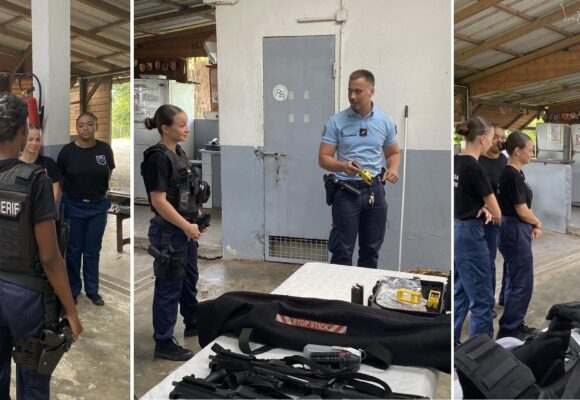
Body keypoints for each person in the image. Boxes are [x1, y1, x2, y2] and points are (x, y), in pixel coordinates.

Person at [0, 92, 82, 399]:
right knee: (33, 379)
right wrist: (71, 311)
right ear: (23, 131)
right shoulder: (34, 180)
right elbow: (49, 256)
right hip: (25, 297)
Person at [141, 105, 209, 361]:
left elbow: (187, 190)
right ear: (165, 128)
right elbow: (159, 201)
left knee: (188, 278)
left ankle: (192, 322)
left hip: (186, 229)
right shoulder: (157, 158)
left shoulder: (178, 152)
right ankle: (163, 341)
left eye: (186, 123)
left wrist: (198, 214)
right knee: (169, 284)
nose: (186, 129)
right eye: (181, 125)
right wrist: (185, 225)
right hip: (170, 232)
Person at [318, 69, 400, 268]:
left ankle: (363, 297)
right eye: (349, 91)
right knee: (342, 251)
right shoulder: (336, 121)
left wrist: (393, 169)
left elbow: (393, 154)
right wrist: (342, 166)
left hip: (374, 191)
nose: (352, 96)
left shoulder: (385, 121)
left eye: (358, 91)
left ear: (372, 91)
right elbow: (323, 158)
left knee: (371, 250)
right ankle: (338, 298)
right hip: (346, 191)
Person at [57, 112, 115, 306]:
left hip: (98, 207)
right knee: (73, 251)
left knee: (92, 250)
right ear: (77, 128)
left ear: (96, 126)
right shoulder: (67, 151)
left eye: (90, 124)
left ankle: (92, 290)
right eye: (81, 125)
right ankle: (74, 289)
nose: (85, 128)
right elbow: (60, 178)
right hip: (73, 205)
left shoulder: (104, 149)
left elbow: (108, 172)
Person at [454, 116, 501, 345]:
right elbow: (497, 211)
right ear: (482, 139)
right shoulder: (475, 168)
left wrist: (480, 205)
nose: (493, 143)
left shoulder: (455, 162)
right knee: (482, 300)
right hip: (471, 234)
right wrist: (489, 207)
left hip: (457, 229)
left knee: (461, 290)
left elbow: (462, 196)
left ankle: (451, 342)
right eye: (492, 139)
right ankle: (481, 355)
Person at [497, 130, 541, 340]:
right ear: (517, 151)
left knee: (518, 279)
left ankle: (515, 322)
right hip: (514, 229)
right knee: (522, 282)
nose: (532, 153)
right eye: (530, 149)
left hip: (515, 228)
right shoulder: (511, 175)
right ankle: (510, 328)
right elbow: (522, 210)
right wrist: (537, 221)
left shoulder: (515, 173)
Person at [478, 123, 507, 318]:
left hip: (506, 219)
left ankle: (505, 297)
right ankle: (488, 304)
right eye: (496, 136)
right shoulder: (478, 162)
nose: (500, 140)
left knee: (510, 260)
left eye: (502, 137)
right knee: (488, 263)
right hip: (488, 222)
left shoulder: (504, 160)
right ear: (485, 138)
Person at [20, 125, 62, 205]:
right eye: (30, 139)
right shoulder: (15, 163)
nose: (34, 143)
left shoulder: (49, 163)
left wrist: (47, 210)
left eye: (38, 140)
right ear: (24, 139)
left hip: (44, 211)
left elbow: (55, 191)